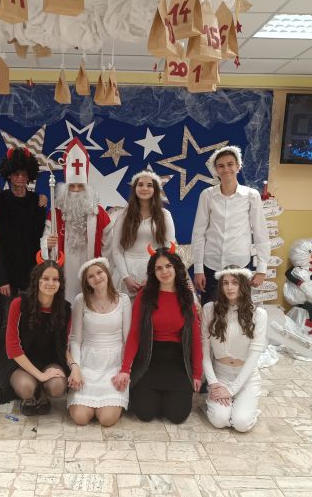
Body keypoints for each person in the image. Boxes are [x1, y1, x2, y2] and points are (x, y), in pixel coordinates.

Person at [114, 246, 203, 424]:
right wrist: (125, 369)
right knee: (144, 413)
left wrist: (197, 374)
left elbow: (195, 338)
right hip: (149, 360)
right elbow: (134, 334)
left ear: (176, 267)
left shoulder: (186, 297)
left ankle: (167, 397)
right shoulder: (144, 296)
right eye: (159, 268)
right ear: (153, 272)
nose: (164, 272)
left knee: (177, 416)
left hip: (177, 363)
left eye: (168, 266)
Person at [0, 147, 48, 395]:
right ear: (9, 175)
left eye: (24, 174)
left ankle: (27, 370)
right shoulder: (0, 201)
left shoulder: (36, 201)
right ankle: (4, 373)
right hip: (9, 274)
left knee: (29, 323)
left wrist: (42, 207)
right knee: (7, 323)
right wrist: (1, 277)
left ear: (29, 176)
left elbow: (37, 235)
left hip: (32, 273)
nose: (20, 178)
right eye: (16, 174)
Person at [191, 146, 270, 305]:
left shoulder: (251, 195)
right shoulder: (207, 195)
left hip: (240, 266)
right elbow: (198, 233)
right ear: (215, 170)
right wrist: (198, 269)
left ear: (238, 166)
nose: (226, 169)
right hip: (211, 265)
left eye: (230, 164)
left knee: (240, 313)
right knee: (210, 311)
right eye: (221, 166)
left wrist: (261, 269)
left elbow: (260, 233)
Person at [41, 138, 112, 303]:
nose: (76, 191)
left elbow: (109, 245)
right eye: (72, 186)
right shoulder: (56, 213)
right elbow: (46, 239)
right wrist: (47, 244)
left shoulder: (98, 213)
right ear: (65, 189)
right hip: (65, 269)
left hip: (91, 268)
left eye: (80, 186)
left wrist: (104, 269)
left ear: (86, 188)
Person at [201, 266, 267, 432]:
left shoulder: (258, 314)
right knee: (219, 420)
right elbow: (205, 351)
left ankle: (244, 405)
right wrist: (214, 384)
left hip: (246, 377)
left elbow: (254, 356)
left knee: (241, 424)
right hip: (220, 374)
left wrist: (231, 390)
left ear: (243, 285)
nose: (229, 287)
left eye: (235, 283)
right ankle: (220, 405)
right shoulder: (209, 309)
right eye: (225, 283)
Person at [67, 258, 132, 427]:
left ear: (107, 273)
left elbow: (128, 339)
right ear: (86, 282)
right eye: (90, 276)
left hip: (114, 365)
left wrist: (125, 369)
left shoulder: (123, 299)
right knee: (80, 418)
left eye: (99, 272)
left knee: (106, 420)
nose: (96, 278)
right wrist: (76, 368)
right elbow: (75, 339)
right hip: (88, 364)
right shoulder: (80, 300)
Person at [5, 260, 72, 416]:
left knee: (57, 388)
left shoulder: (65, 308)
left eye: (56, 279)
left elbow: (66, 344)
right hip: (21, 363)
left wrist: (74, 367)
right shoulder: (19, 304)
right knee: (26, 388)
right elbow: (12, 347)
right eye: (46, 278)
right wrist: (41, 376)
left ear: (60, 283)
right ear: (37, 280)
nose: (51, 283)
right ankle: (32, 395)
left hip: (50, 361)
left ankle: (42, 391)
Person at [110, 170, 176, 299]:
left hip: (155, 270)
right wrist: (126, 277)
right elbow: (116, 249)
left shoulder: (164, 215)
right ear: (135, 188)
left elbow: (168, 248)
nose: (144, 188)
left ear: (155, 189)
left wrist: (153, 277)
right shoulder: (123, 215)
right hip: (126, 271)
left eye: (149, 185)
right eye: (140, 184)